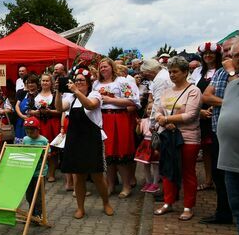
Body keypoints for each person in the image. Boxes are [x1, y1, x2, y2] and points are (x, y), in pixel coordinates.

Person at [54, 69, 114, 219]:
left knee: (97, 176)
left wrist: (76, 91)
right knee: (78, 176)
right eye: (76, 80)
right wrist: (58, 92)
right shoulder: (70, 97)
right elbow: (59, 108)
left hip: (92, 139)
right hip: (75, 140)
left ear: (88, 83)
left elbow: (89, 106)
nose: (78, 82)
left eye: (81, 80)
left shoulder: (95, 95)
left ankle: (106, 203)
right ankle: (80, 208)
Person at [153, 56, 202, 221]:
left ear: (185, 72)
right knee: (168, 170)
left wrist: (166, 120)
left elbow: (190, 115)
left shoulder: (193, 91)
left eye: (175, 71)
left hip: (188, 137)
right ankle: (168, 202)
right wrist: (163, 120)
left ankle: (188, 206)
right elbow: (158, 110)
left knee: (187, 172)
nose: (172, 75)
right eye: (170, 72)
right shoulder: (167, 91)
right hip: (169, 136)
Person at [200, 37, 236, 225]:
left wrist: (232, 71)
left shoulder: (229, 72)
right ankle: (223, 212)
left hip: (237, 136)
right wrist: (230, 103)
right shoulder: (220, 72)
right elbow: (207, 96)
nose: (230, 55)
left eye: (235, 52)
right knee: (219, 173)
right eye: (228, 51)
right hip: (218, 128)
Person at [94, 58, 140, 198]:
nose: (103, 69)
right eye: (101, 67)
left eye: (105, 66)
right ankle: (110, 184)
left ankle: (126, 186)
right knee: (108, 154)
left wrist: (111, 100)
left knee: (121, 153)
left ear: (112, 67)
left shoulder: (122, 82)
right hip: (102, 119)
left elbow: (132, 101)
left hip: (119, 118)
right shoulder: (96, 83)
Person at [215, 37, 239, 235]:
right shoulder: (234, 83)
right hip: (231, 158)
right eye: (235, 55)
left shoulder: (235, 79)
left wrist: (232, 73)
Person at [189, 42, 222, 192]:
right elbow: (191, 91)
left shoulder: (223, 70)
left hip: (219, 113)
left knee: (220, 149)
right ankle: (209, 180)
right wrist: (199, 111)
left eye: (211, 53)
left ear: (217, 55)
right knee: (207, 150)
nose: (208, 56)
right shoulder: (198, 72)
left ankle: (222, 182)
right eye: (205, 54)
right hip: (202, 116)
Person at [22, 117, 49, 219]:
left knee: (38, 195)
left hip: (40, 172)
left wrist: (41, 154)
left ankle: (38, 214)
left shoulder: (43, 140)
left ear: (38, 129)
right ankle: (32, 212)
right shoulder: (25, 139)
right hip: (29, 171)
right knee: (29, 195)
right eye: (27, 130)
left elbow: (47, 155)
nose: (29, 132)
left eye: (32, 130)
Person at [134, 102, 160, 193]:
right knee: (146, 165)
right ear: (146, 110)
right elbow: (138, 133)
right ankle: (148, 182)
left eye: (153, 109)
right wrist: (138, 124)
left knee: (156, 165)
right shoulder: (144, 121)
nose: (150, 111)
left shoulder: (158, 121)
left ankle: (155, 184)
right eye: (149, 109)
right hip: (145, 143)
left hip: (155, 144)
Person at [14, 74, 39, 143]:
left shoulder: (39, 94)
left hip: (33, 123)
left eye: (32, 83)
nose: (30, 85)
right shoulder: (24, 93)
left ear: (37, 83)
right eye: (29, 83)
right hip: (21, 121)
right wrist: (22, 116)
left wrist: (33, 113)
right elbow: (17, 106)